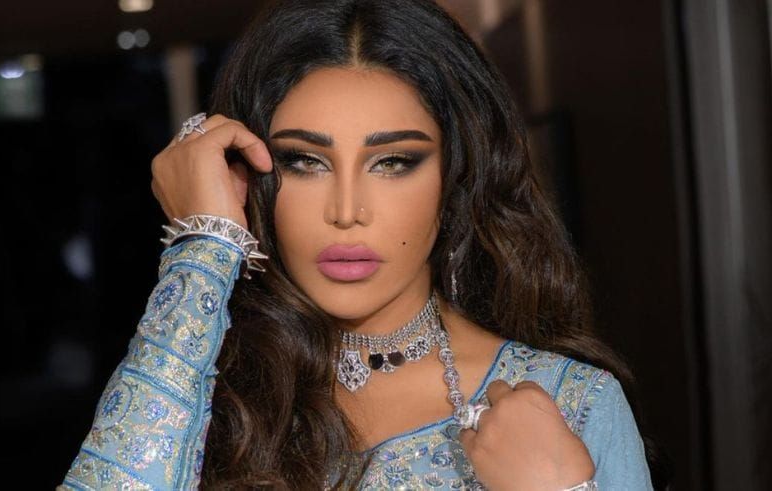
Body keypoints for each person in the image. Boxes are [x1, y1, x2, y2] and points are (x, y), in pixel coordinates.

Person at [58, 0, 662, 489]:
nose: (347, 212)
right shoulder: (204, 391)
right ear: (251, 175)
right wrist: (203, 245)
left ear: (457, 176)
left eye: (393, 162)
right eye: (304, 161)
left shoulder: (570, 403)